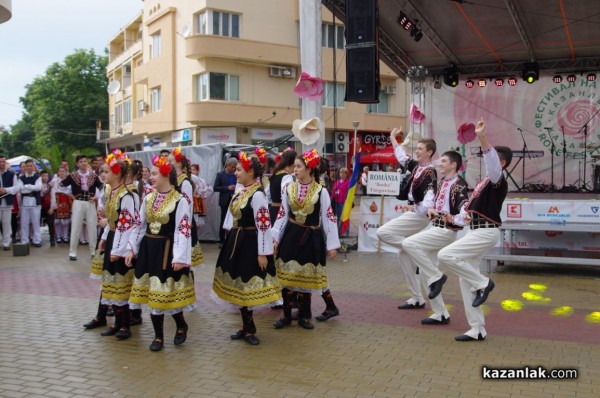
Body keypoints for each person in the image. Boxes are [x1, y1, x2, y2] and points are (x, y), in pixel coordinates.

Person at [438, 118, 512, 342]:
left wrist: (481, 136)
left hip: (486, 232)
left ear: (502, 164)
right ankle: (477, 328)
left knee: (446, 255)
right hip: (477, 230)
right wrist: (458, 217)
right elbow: (468, 212)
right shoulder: (485, 183)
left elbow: (492, 164)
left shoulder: (497, 179)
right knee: (464, 279)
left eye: (493, 160)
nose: (486, 161)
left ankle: (483, 283)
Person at [126, 155, 195, 352]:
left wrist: (180, 257)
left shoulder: (180, 200)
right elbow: (139, 225)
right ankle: (158, 337)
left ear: (166, 175)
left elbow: (183, 229)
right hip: (149, 249)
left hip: (167, 250)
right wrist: (133, 248)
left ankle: (181, 324)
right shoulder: (148, 198)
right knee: (152, 294)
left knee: (167, 294)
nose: (150, 177)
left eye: (154, 173)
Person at [212, 150, 281, 345]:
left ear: (251, 172)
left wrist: (262, 253)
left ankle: (250, 329)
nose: (235, 172)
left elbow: (263, 225)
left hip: (250, 243)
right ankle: (246, 326)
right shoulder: (241, 190)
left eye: (240, 170)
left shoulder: (257, 195)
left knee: (247, 285)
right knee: (240, 286)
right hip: (236, 240)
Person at [271, 149, 340, 330]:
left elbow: (328, 217)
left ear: (309, 169)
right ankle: (286, 315)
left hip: (311, 237)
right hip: (291, 235)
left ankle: (304, 316)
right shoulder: (289, 188)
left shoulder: (320, 191)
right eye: (294, 166)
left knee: (305, 278)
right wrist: (275, 238)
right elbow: (282, 214)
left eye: (299, 166)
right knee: (287, 276)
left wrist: (332, 245)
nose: (295, 170)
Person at [401, 151, 469, 325]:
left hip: (445, 231)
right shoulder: (442, 183)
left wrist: (454, 218)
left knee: (408, 243)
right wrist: (430, 209)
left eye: (444, 161)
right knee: (424, 272)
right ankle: (440, 313)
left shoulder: (459, 185)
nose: (440, 163)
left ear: (454, 165)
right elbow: (433, 204)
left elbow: (464, 209)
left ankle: (436, 276)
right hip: (436, 227)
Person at [376, 128, 437, 310]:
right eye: (416, 148)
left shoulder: (430, 172)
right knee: (403, 255)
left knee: (383, 232)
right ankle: (416, 297)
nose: (416, 151)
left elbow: (429, 201)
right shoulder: (418, 167)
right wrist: (393, 139)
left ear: (429, 152)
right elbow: (402, 157)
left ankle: (414, 247)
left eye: (420, 148)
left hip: (418, 215)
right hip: (414, 212)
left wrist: (414, 207)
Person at [95, 151, 139, 340]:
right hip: (113, 238)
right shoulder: (113, 192)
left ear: (116, 173)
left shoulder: (127, 195)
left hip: (121, 243)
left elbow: (126, 225)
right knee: (112, 282)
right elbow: (112, 220)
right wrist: (104, 237)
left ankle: (125, 325)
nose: (103, 175)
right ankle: (117, 323)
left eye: (106, 171)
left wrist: (118, 250)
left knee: (122, 283)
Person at [60, 155, 103, 261]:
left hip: (90, 202)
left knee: (92, 227)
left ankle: (93, 251)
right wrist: (70, 193)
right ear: (77, 164)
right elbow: (61, 185)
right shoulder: (73, 175)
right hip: (78, 202)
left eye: (85, 161)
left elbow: (102, 188)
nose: (83, 163)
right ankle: (72, 252)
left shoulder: (93, 175)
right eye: (81, 162)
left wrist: (96, 196)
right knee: (75, 226)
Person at [168, 148, 204, 267]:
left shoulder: (185, 183)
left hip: (182, 223)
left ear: (178, 163)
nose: (168, 164)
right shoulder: (171, 180)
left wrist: (185, 226)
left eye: (170, 161)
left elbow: (187, 207)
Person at [16, 159, 43, 247]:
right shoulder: (21, 178)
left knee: (36, 222)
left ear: (34, 167)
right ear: (25, 167)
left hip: (35, 201)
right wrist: (32, 187)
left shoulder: (38, 177)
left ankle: (37, 240)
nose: (29, 167)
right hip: (25, 202)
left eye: (31, 166)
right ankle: (24, 240)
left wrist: (27, 186)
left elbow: (39, 187)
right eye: (27, 166)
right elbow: (21, 190)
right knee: (24, 222)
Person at [214, 157, 238, 247]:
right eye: (232, 167)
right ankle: (221, 240)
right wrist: (227, 188)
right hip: (225, 200)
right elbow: (215, 187)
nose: (233, 169)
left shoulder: (236, 174)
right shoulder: (220, 174)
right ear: (227, 165)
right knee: (224, 220)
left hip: (235, 200)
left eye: (234, 167)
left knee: (233, 220)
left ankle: (230, 240)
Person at [268, 148, 296, 225]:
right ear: (292, 162)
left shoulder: (275, 174)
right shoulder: (287, 177)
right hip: (281, 213)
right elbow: (288, 198)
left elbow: (268, 194)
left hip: (272, 211)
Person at [0, 154, 19, 250]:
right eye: (0, 162)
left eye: (3, 162)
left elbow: (16, 188)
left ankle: (6, 243)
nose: (2, 164)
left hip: (7, 202)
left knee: (6, 223)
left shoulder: (12, 174)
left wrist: (6, 190)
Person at [51, 166, 72, 244]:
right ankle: (58, 236)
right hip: (57, 202)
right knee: (57, 221)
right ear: (58, 173)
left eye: (63, 171)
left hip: (66, 202)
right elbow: (53, 190)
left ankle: (65, 236)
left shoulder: (69, 180)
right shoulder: (55, 181)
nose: (61, 173)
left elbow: (70, 190)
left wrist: (63, 193)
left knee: (66, 221)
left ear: (66, 173)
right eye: (60, 171)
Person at [331, 167, 350, 237]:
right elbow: (333, 191)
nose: (342, 174)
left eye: (344, 173)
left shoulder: (348, 182)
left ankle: (345, 232)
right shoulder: (337, 182)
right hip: (336, 201)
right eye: (341, 173)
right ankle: (339, 232)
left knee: (344, 217)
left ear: (346, 174)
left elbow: (349, 193)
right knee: (338, 218)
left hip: (344, 202)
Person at [39, 170, 56, 246]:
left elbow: (53, 198)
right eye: (43, 176)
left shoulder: (50, 186)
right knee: (36, 223)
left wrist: (52, 208)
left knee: (51, 223)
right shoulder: (38, 186)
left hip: (48, 206)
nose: (45, 177)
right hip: (39, 207)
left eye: (46, 176)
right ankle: (36, 238)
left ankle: (52, 239)